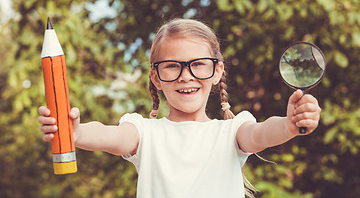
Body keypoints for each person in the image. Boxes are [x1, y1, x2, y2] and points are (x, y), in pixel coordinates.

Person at [38, 18, 321, 198]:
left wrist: (288, 124)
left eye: (198, 64)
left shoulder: (231, 131)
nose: (186, 75)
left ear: (217, 71)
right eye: (172, 66)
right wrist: (76, 132)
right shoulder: (145, 132)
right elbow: (111, 136)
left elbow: (261, 134)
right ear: (156, 77)